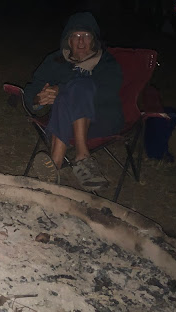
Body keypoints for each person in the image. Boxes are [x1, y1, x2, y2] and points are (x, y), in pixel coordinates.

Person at [23, 12, 123, 190]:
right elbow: (32, 89)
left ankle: (56, 164)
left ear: (93, 40)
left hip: (100, 121)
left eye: (86, 36)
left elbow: (108, 93)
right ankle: (79, 159)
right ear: (68, 41)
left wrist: (62, 90)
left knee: (79, 88)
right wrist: (39, 98)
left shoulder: (107, 63)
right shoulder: (55, 61)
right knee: (65, 99)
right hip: (63, 121)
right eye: (76, 36)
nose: (81, 41)